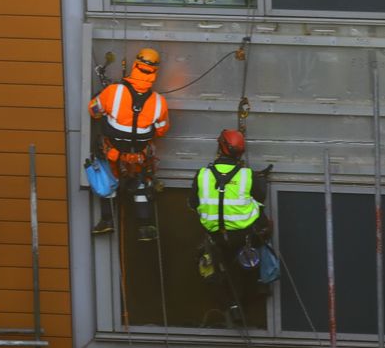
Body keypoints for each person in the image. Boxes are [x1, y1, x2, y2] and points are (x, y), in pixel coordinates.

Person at [189, 129, 272, 325]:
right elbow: (260, 197)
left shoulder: (202, 175)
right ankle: (258, 286)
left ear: (220, 148)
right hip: (243, 236)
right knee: (261, 231)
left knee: (220, 271)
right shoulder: (248, 176)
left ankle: (233, 306)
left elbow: (193, 203)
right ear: (240, 153)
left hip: (216, 237)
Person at [88, 47, 170, 241]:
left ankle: (107, 221)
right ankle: (145, 227)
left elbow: (94, 110)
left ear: (135, 66)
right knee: (141, 185)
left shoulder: (113, 92)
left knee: (107, 182)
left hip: (112, 154)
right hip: (139, 159)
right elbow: (161, 129)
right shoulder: (159, 102)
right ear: (155, 72)